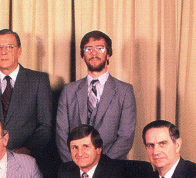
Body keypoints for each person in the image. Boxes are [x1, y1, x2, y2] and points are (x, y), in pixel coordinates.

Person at [55, 30, 136, 162]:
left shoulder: (125, 91)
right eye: (88, 49)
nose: (94, 53)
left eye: (100, 48)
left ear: (108, 54)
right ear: (82, 56)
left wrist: (101, 166)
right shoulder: (68, 91)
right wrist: (75, 163)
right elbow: (61, 135)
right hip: (75, 168)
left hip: (111, 168)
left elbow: (126, 137)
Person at [0, 29, 53, 163]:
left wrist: (27, 149)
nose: (3, 52)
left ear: (19, 51)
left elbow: (45, 126)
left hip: (27, 159)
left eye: (10, 47)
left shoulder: (38, 80)